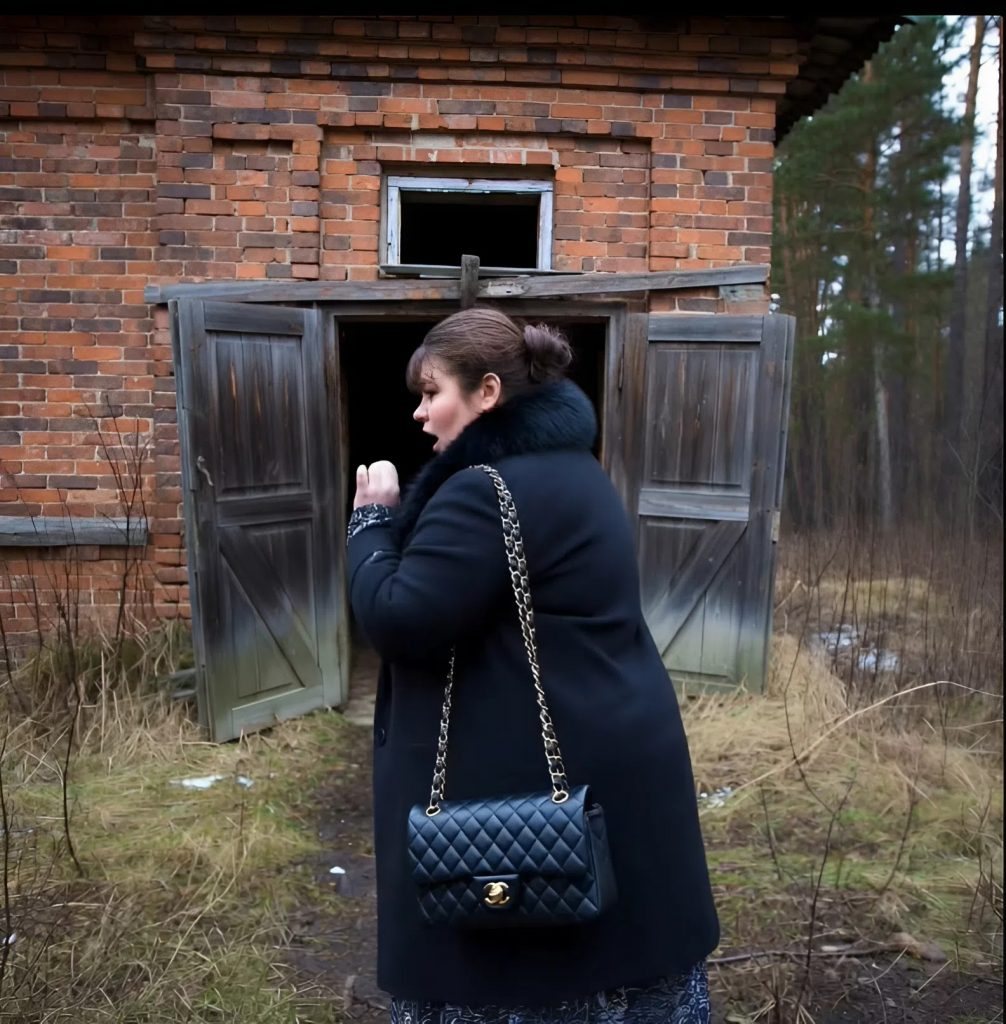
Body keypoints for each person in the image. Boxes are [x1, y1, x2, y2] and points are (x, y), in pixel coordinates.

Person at [346, 307, 719, 1024]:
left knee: (530, 987)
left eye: (432, 393)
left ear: (487, 392)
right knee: (624, 981)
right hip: (615, 771)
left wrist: (370, 523)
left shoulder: (484, 489)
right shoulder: (576, 472)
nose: (419, 413)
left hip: (534, 789)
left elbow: (398, 617)